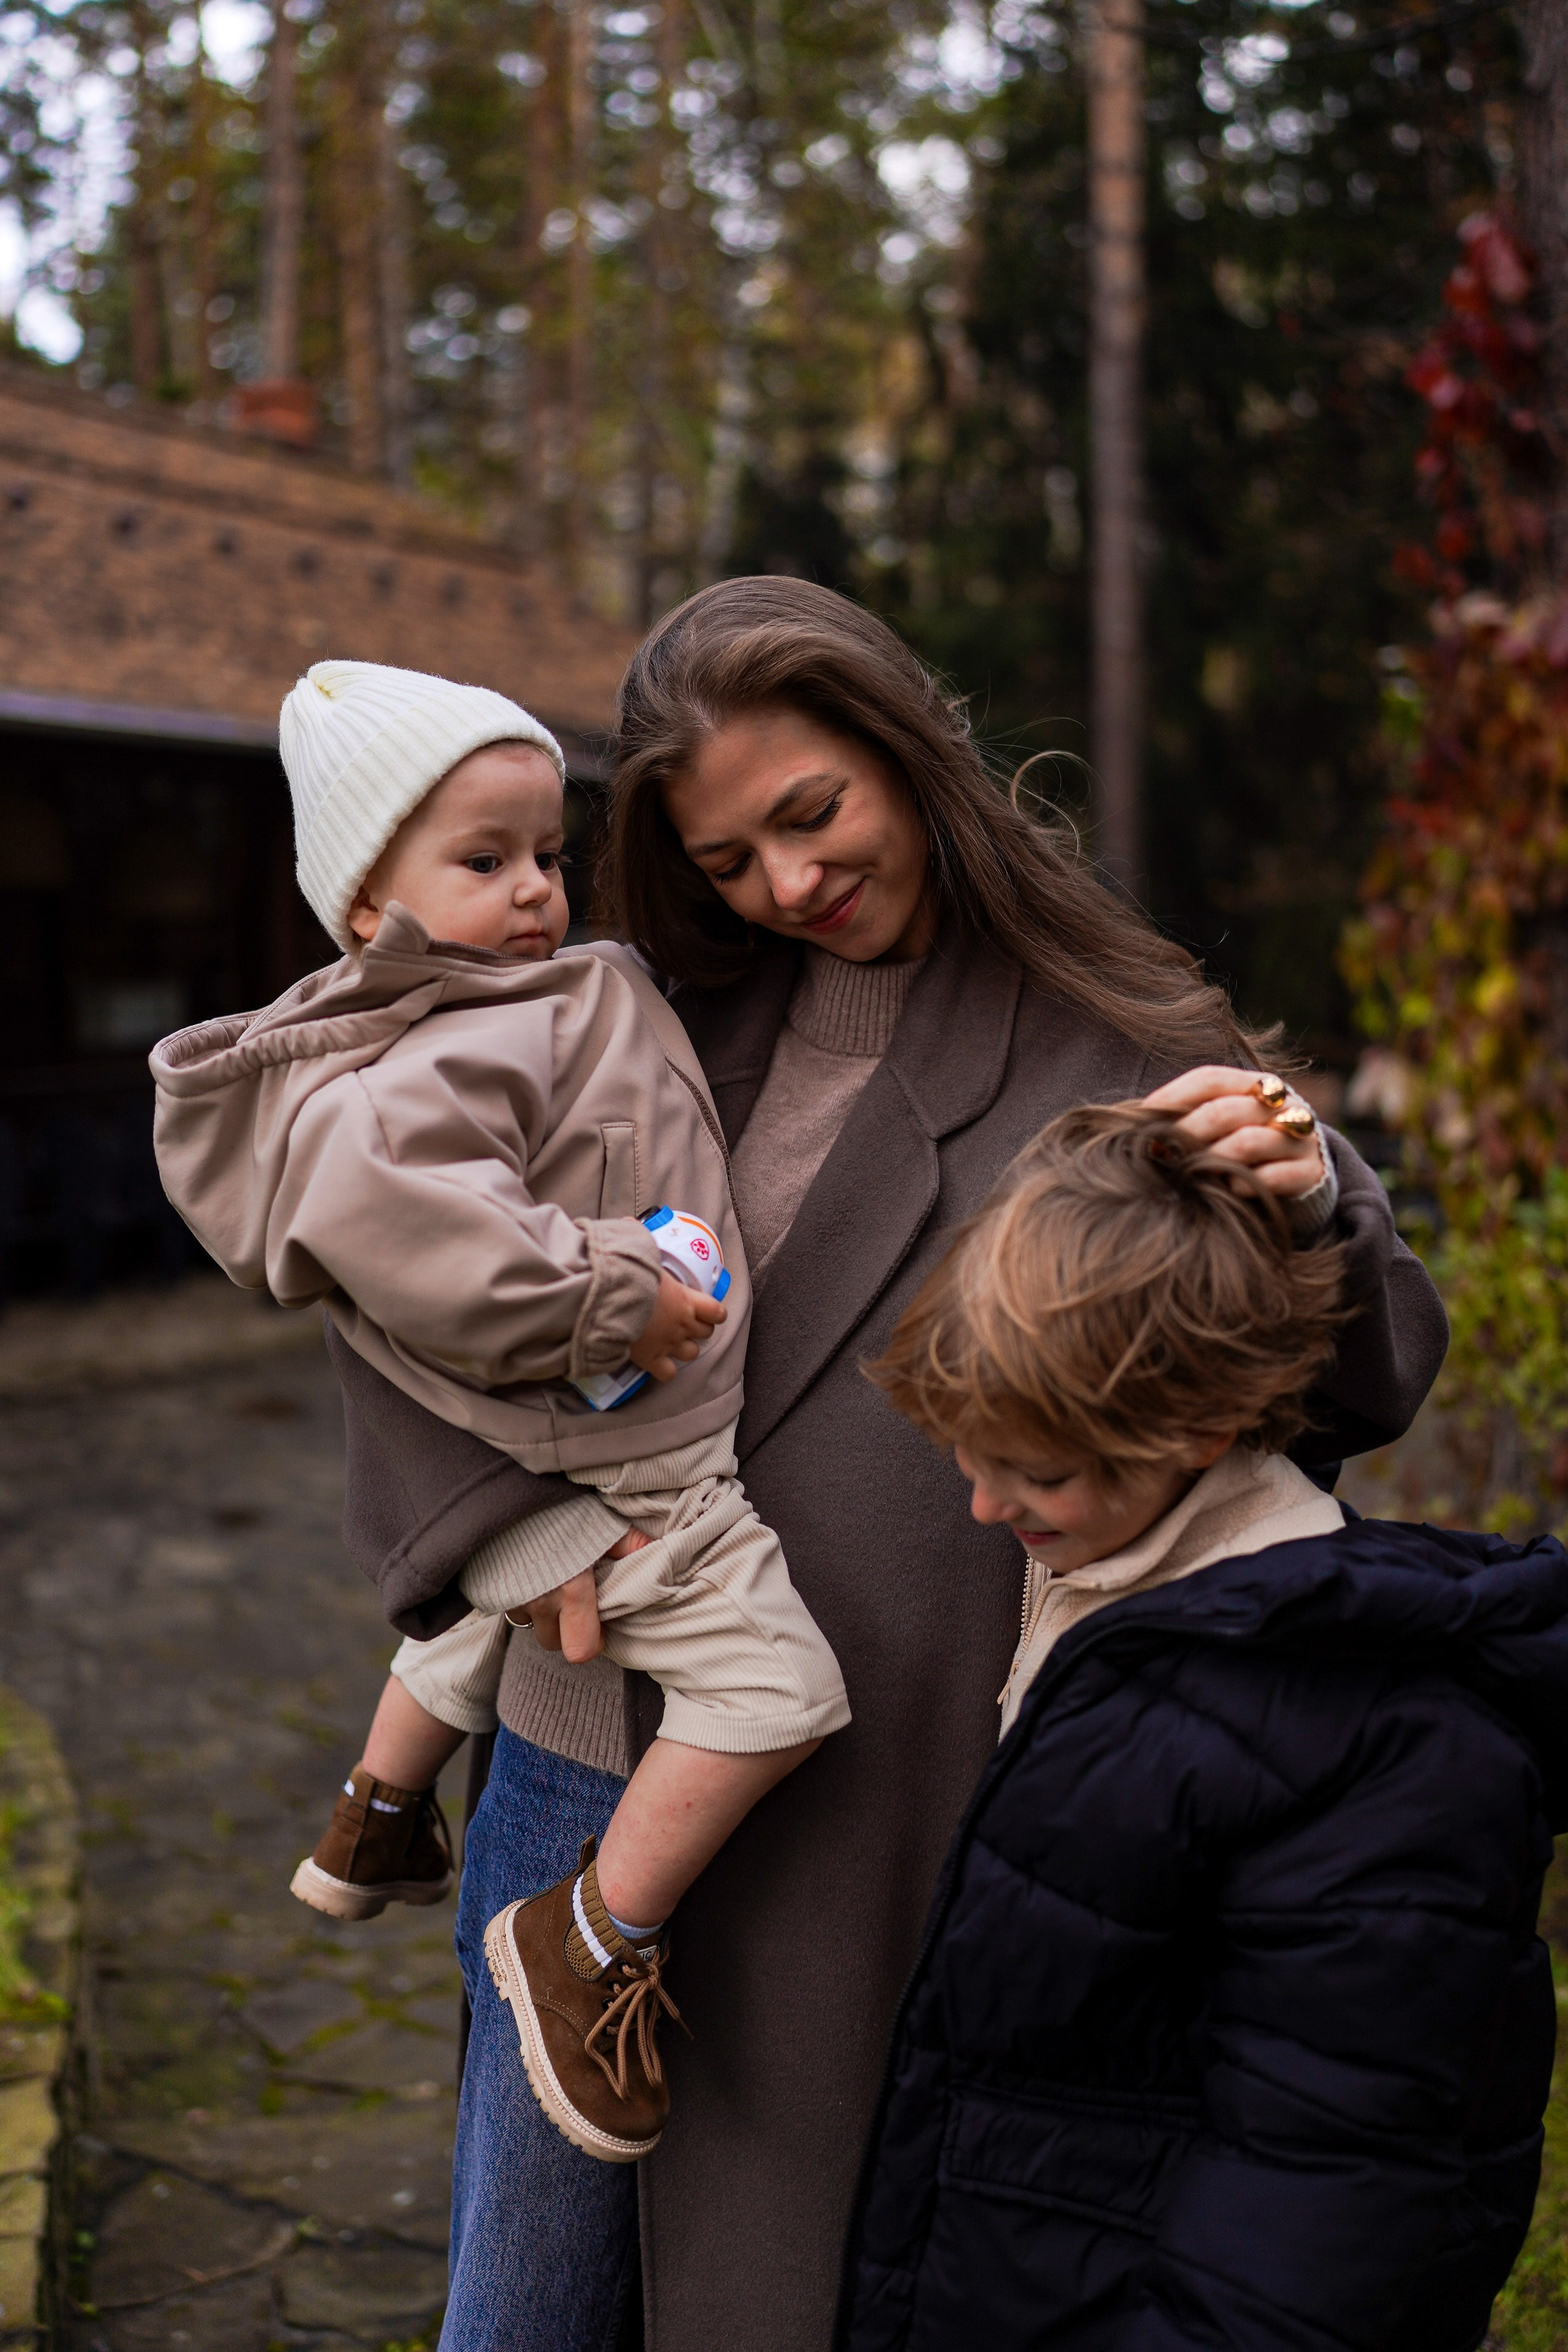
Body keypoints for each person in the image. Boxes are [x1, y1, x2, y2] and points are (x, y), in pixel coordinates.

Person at [320, 580, 1451, 2352]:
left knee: (774, 2293)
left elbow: (1364, 1372)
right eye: (723, 857)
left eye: (811, 812)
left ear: (910, 754)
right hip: (571, 1773)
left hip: (871, 1817)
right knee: (522, 2316)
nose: (783, 883)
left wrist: (1311, 1196)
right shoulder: (625, 1020)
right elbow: (388, 1263)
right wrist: (506, 1530)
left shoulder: (1121, 1037)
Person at [150, 658, 850, 2165]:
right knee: (781, 1691)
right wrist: (614, 1300)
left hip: (589, 1455)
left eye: (546, 853)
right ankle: (589, 1934)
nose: (536, 891)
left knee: (468, 1618)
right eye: (482, 863)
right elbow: (421, 1235)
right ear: (363, 912)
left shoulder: (518, 996)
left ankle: (376, 1812)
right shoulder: (420, 1060)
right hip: (641, 1458)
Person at [837, 1097, 1564, 2352]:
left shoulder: (1374, 1732)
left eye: (1034, 1470)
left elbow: (1327, 2176)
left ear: (1196, 1428)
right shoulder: (1116, 1599)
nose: (979, 1503)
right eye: (968, 1455)